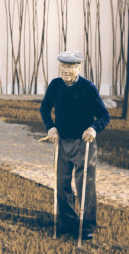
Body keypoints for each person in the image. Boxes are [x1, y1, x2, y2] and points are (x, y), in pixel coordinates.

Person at [40, 50, 110, 241]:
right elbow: (44, 108)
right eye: (63, 66)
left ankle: (87, 225)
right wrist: (51, 128)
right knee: (61, 184)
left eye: (70, 67)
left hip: (83, 143)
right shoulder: (55, 85)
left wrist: (94, 128)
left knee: (85, 185)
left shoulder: (88, 88)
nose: (66, 70)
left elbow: (104, 116)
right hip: (62, 142)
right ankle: (68, 222)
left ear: (79, 68)